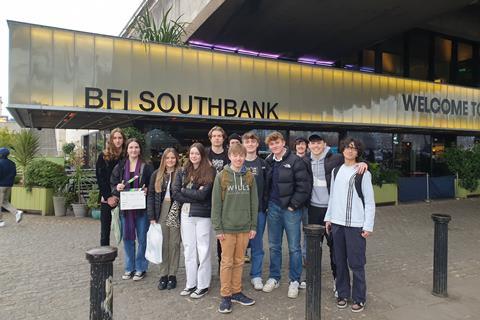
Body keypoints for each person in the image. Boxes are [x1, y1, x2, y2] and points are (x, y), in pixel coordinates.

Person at [303, 134, 367, 291]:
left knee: (334, 248)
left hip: (331, 210)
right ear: (309, 146)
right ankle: (312, 277)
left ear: (324, 144)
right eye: (313, 143)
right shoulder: (304, 160)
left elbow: (353, 163)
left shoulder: (336, 158)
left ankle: (337, 279)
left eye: (319, 143)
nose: (316, 146)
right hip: (313, 208)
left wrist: (365, 163)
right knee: (313, 247)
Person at [325, 137, 375, 313]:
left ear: (358, 152)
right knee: (339, 262)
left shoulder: (363, 172)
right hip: (337, 224)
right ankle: (342, 294)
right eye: (347, 147)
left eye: (354, 148)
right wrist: (328, 217)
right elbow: (332, 197)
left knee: (356, 263)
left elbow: (369, 202)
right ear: (342, 150)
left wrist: (368, 226)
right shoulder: (335, 171)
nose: (350, 150)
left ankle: (359, 298)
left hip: (355, 225)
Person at [262, 132, 312, 299]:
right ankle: (274, 278)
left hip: (291, 210)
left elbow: (304, 186)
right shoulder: (269, 161)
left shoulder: (295, 161)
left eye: (277, 143)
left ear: (283, 143)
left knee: (294, 247)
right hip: (273, 208)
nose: (274, 146)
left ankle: (294, 280)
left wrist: (293, 205)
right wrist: (268, 204)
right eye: (271, 144)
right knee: (274, 246)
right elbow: (266, 186)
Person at [212, 143, 258, 314]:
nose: (238, 158)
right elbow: (216, 204)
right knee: (227, 262)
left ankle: (236, 292)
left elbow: (254, 202)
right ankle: (226, 295)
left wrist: (253, 226)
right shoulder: (222, 176)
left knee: (239, 261)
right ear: (230, 156)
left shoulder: (249, 177)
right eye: (235, 155)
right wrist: (218, 228)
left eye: (241, 155)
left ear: (245, 157)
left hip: (245, 227)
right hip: (227, 228)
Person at [172, 142, 216, 299]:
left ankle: (203, 285)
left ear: (202, 155)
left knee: (203, 249)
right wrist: (191, 192)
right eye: (191, 153)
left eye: (197, 153)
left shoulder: (210, 171)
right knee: (189, 249)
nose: (194, 156)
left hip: (203, 215)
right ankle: (190, 283)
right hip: (186, 214)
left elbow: (204, 195)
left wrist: (187, 191)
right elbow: (176, 193)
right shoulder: (182, 171)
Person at [111, 138, 154, 281]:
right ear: (127, 149)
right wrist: (117, 187)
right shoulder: (121, 166)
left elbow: (153, 186)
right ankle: (129, 267)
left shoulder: (146, 166)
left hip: (141, 210)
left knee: (142, 239)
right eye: (131, 147)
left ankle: (141, 267)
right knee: (127, 238)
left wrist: (148, 189)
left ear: (140, 149)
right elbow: (113, 183)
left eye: (136, 147)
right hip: (126, 209)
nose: (133, 150)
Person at [147, 148, 182, 291]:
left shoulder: (181, 173)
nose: (170, 160)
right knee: (162, 244)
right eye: (167, 158)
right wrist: (151, 216)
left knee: (174, 243)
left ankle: (172, 275)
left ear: (176, 159)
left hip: (175, 209)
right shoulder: (156, 174)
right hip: (160, 209)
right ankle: (163, 274)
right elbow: (150, 195)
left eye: (173, 158)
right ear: (163, 160)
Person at [242, 131, 268, 290]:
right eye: (247, 141)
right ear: (243, 144)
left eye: (253, 141)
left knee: (257, 245)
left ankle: (256, 275)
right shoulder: (237, 163)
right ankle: (236, 276)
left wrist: (265, 206)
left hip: (259, 211)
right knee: (240, 245)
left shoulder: (264, 164)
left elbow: (268, 187)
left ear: (257, 144)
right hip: (240, 212)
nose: (250, 144)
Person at [95, 128, 125, 246]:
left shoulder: (127, 155)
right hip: (107, 197)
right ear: (111, 140)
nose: (117, 140)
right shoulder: (103, 156)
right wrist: (108, 196)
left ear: (123, 140)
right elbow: (100, 178)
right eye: (115, 138)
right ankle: (104, 260)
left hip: (124, 196)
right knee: (105, 231)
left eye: (120, 138)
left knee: (127, 229)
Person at [207, 126, 230, 267]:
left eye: (219, 136)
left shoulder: (229, 154)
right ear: (210, 138)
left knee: (222, 236)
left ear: (223, 138)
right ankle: (205, 269)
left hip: (225, 199)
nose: (216, 138)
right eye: (214, 136)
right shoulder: (204, 153)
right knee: (205, 236)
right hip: (206, 199)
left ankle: (223, 266)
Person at [0, 147, 23, 227]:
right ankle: (17, 212)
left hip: (0, 186)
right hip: (9, 185)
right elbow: (14, 174)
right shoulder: (12, 163)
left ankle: (0, 221)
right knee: (4, 202)